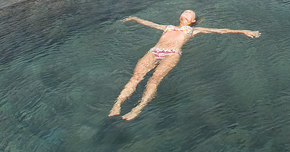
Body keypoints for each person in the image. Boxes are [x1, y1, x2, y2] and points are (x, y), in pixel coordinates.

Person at [109, 9, 261, 120]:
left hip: (172, 54)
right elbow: (151, 24)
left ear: (193, 21)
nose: (186, 12)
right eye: (185, 11)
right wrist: (135, 18)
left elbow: (220, 30)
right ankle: (117, 105)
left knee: (154, 79)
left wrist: (243, 31)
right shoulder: (168, 27)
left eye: (190, 13)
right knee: (135, 77)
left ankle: (138, 108)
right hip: (154, 51)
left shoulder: (193, 30)